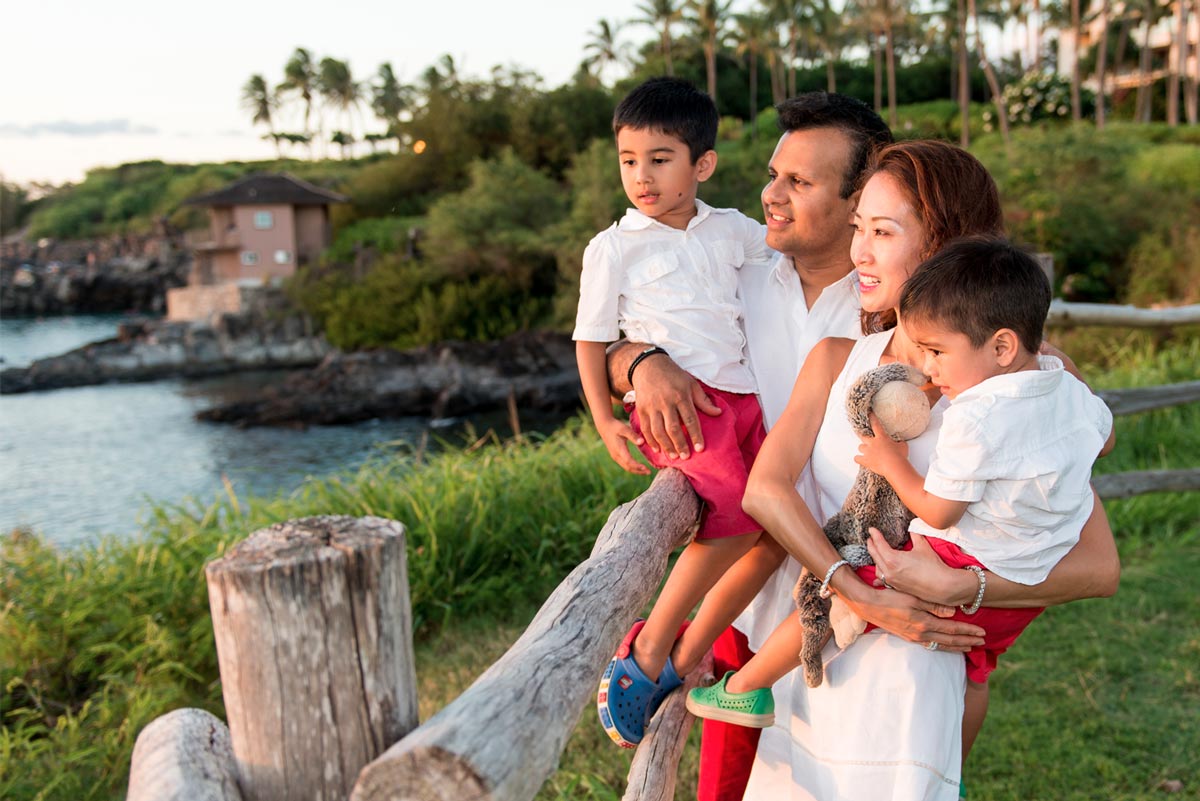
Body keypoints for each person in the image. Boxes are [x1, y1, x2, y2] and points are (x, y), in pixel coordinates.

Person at [607, 131, 1120, 801]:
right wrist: (858, 589)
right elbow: (766, 490)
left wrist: (953, 589)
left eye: (882, 230)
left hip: (915, 680)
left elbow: (1098, 567)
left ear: (943, 247)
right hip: (814, 663)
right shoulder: (837, 357)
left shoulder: (1017, 384)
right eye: (859, 227)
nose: (860, 251)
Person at [685, 236, 1116, 768]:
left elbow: (938, 512)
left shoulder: (974, 418)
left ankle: (748, 685)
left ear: (1002, 348)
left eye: (937, 353)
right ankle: (949, 772)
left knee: (853, 582)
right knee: (977, 674)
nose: (932, 371)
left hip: (968, 564)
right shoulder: (1063, 386)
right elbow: (1104, 433)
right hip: (1028, 584)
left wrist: (892, 464)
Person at [574, 76, 775, 749]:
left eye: (660, 159)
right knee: (739, 519)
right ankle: (651, 648)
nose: (642, 176)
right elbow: (592, 338)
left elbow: (789, 266)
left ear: (703, 164)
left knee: (768, 519)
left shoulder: (734, 231)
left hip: (747, 398)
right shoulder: (614, 247)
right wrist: (605, 418)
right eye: (629, 160)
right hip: (683, 414)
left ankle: (690, 648)